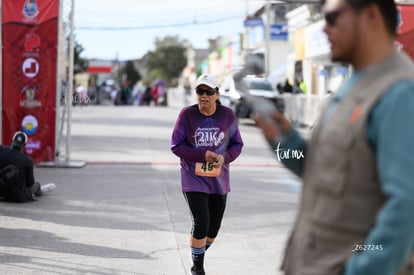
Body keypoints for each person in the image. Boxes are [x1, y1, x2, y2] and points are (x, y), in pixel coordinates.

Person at [254, 0, 414, 274]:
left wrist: (361, 269)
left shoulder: (398, 94)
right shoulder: (350, 88)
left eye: (332, 18)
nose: (323, 28)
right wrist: (287, 143)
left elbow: (406, 207)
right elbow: (324, 169)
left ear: (371, 15)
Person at [170, 74, 244, 275]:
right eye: (199, 91)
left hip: (219, 179)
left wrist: (225, 157)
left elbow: (238, 144)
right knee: (201, 221)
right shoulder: (186, 115)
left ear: (217, 94)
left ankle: (198, 250)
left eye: (208, 91)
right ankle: (197, 267)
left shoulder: (227, 115)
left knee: (213, 228)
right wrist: (203, 154)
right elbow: (176, 146)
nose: (204, 95)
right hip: (192, 178)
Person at [0, 131, 56, 202]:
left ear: (12, 141)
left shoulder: (1, 150)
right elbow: (30, 183)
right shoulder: (27, 160)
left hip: (1, 192)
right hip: (17, 196)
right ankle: (40, 190)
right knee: (36, 185)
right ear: (25, 145)